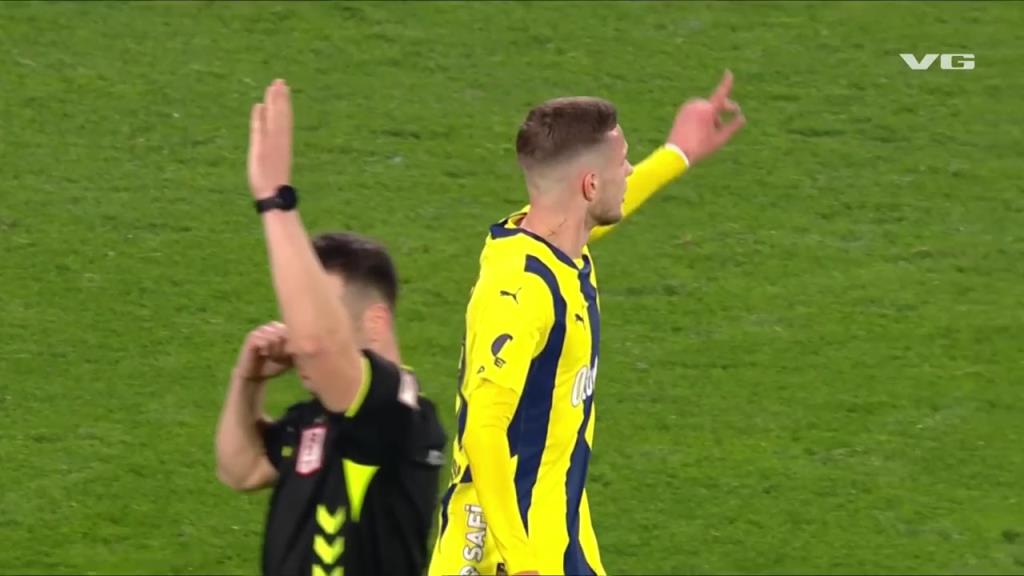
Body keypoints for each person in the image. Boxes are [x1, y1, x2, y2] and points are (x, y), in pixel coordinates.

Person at [428, 72, 746, 576]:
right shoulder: (520, 292)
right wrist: (521, 561)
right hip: (504, 552)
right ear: (590, 184)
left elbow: (601, 210)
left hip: (562, 533)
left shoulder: (558, 241)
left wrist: (678, 153)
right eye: (622, 162)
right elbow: (484, 429)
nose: (629, 171)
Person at [215, 79, 447, 576]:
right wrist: (247, 380)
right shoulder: (318, 417)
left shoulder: (395, 408)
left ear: (375, 321)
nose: (300, 334)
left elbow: (317, 344)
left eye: (321, 311)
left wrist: (275, 201)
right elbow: (240, 469)